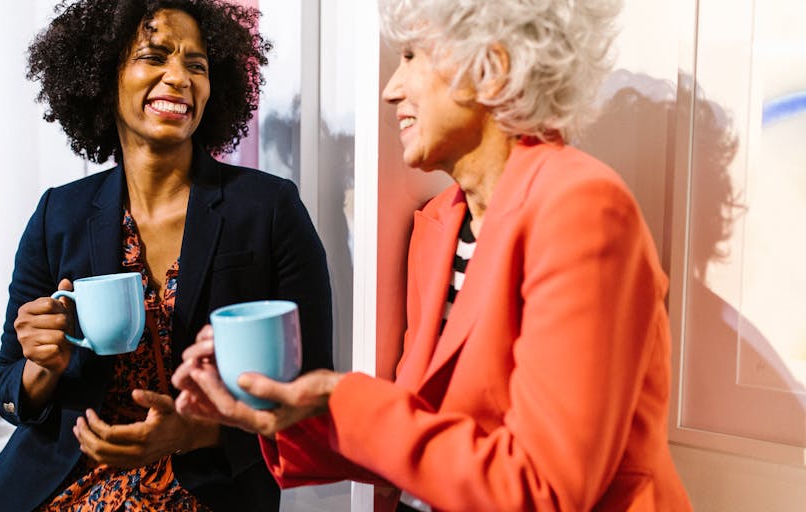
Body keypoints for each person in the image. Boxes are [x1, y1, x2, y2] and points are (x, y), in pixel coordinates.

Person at [172, 0, 693, 510]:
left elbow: (543, 491)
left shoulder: (583, 207)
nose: (390, 90)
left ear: (492, 69)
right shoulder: (440, 224)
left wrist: (341, 396)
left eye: (412, 56)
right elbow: (421, 438)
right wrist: (265, 408)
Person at [0, 1, 332, 510]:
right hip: (57, 490)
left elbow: (312, 397)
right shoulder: (60, 213)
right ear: (105, 74)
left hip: (204, 491)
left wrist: (193, 432)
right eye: (155, 56)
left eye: (196, 65)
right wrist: (40, 367)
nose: (179, 78)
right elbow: (7, 390)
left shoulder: (270, 209)